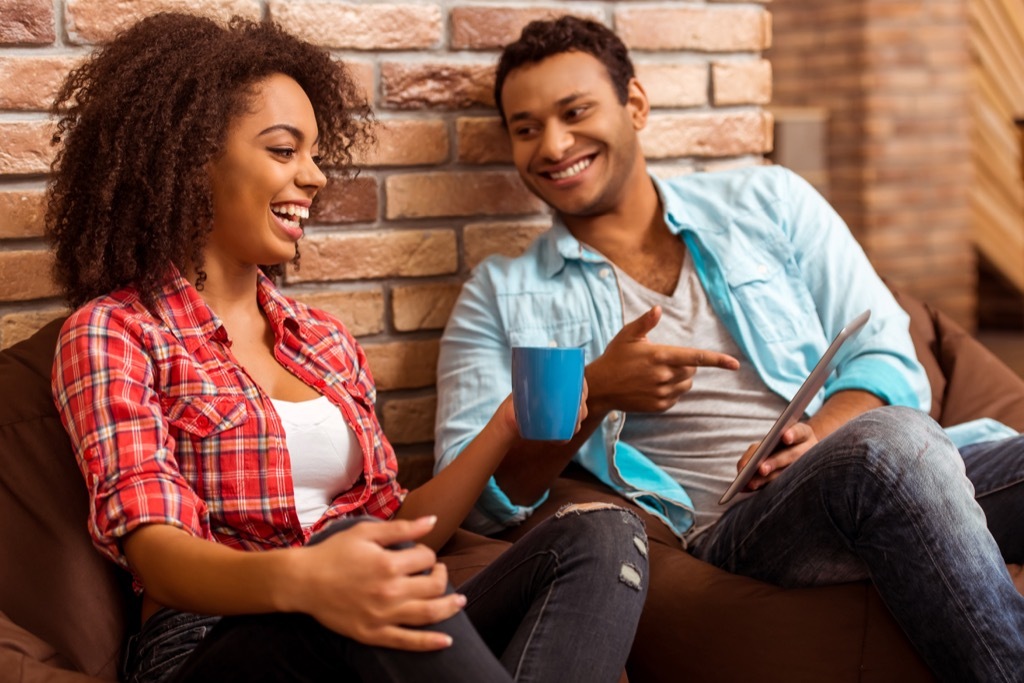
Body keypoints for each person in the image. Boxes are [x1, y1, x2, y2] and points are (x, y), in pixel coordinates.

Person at [46, 13, 649, 683]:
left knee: (604, 533)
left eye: (313, 153)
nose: (315, 177)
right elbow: (158, 555)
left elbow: (400, 524)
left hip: (360, 613)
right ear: (191, 161)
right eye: (284, 151)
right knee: (358, 551)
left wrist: (505, 426)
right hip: (210, 641)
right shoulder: (116, 331)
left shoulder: (323, 340)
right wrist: (310, 576)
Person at [434, 15, 1024, 682]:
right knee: (891, 441)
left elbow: (886, 351)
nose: (554, 144)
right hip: (748, 526)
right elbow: (478, 494)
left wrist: (822, 432)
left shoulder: (768, 201)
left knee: (891, 445)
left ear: (635, 104)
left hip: (896, 468)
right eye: (526, 128)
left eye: (575, 112)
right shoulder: (500, 294)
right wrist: (596, 393)